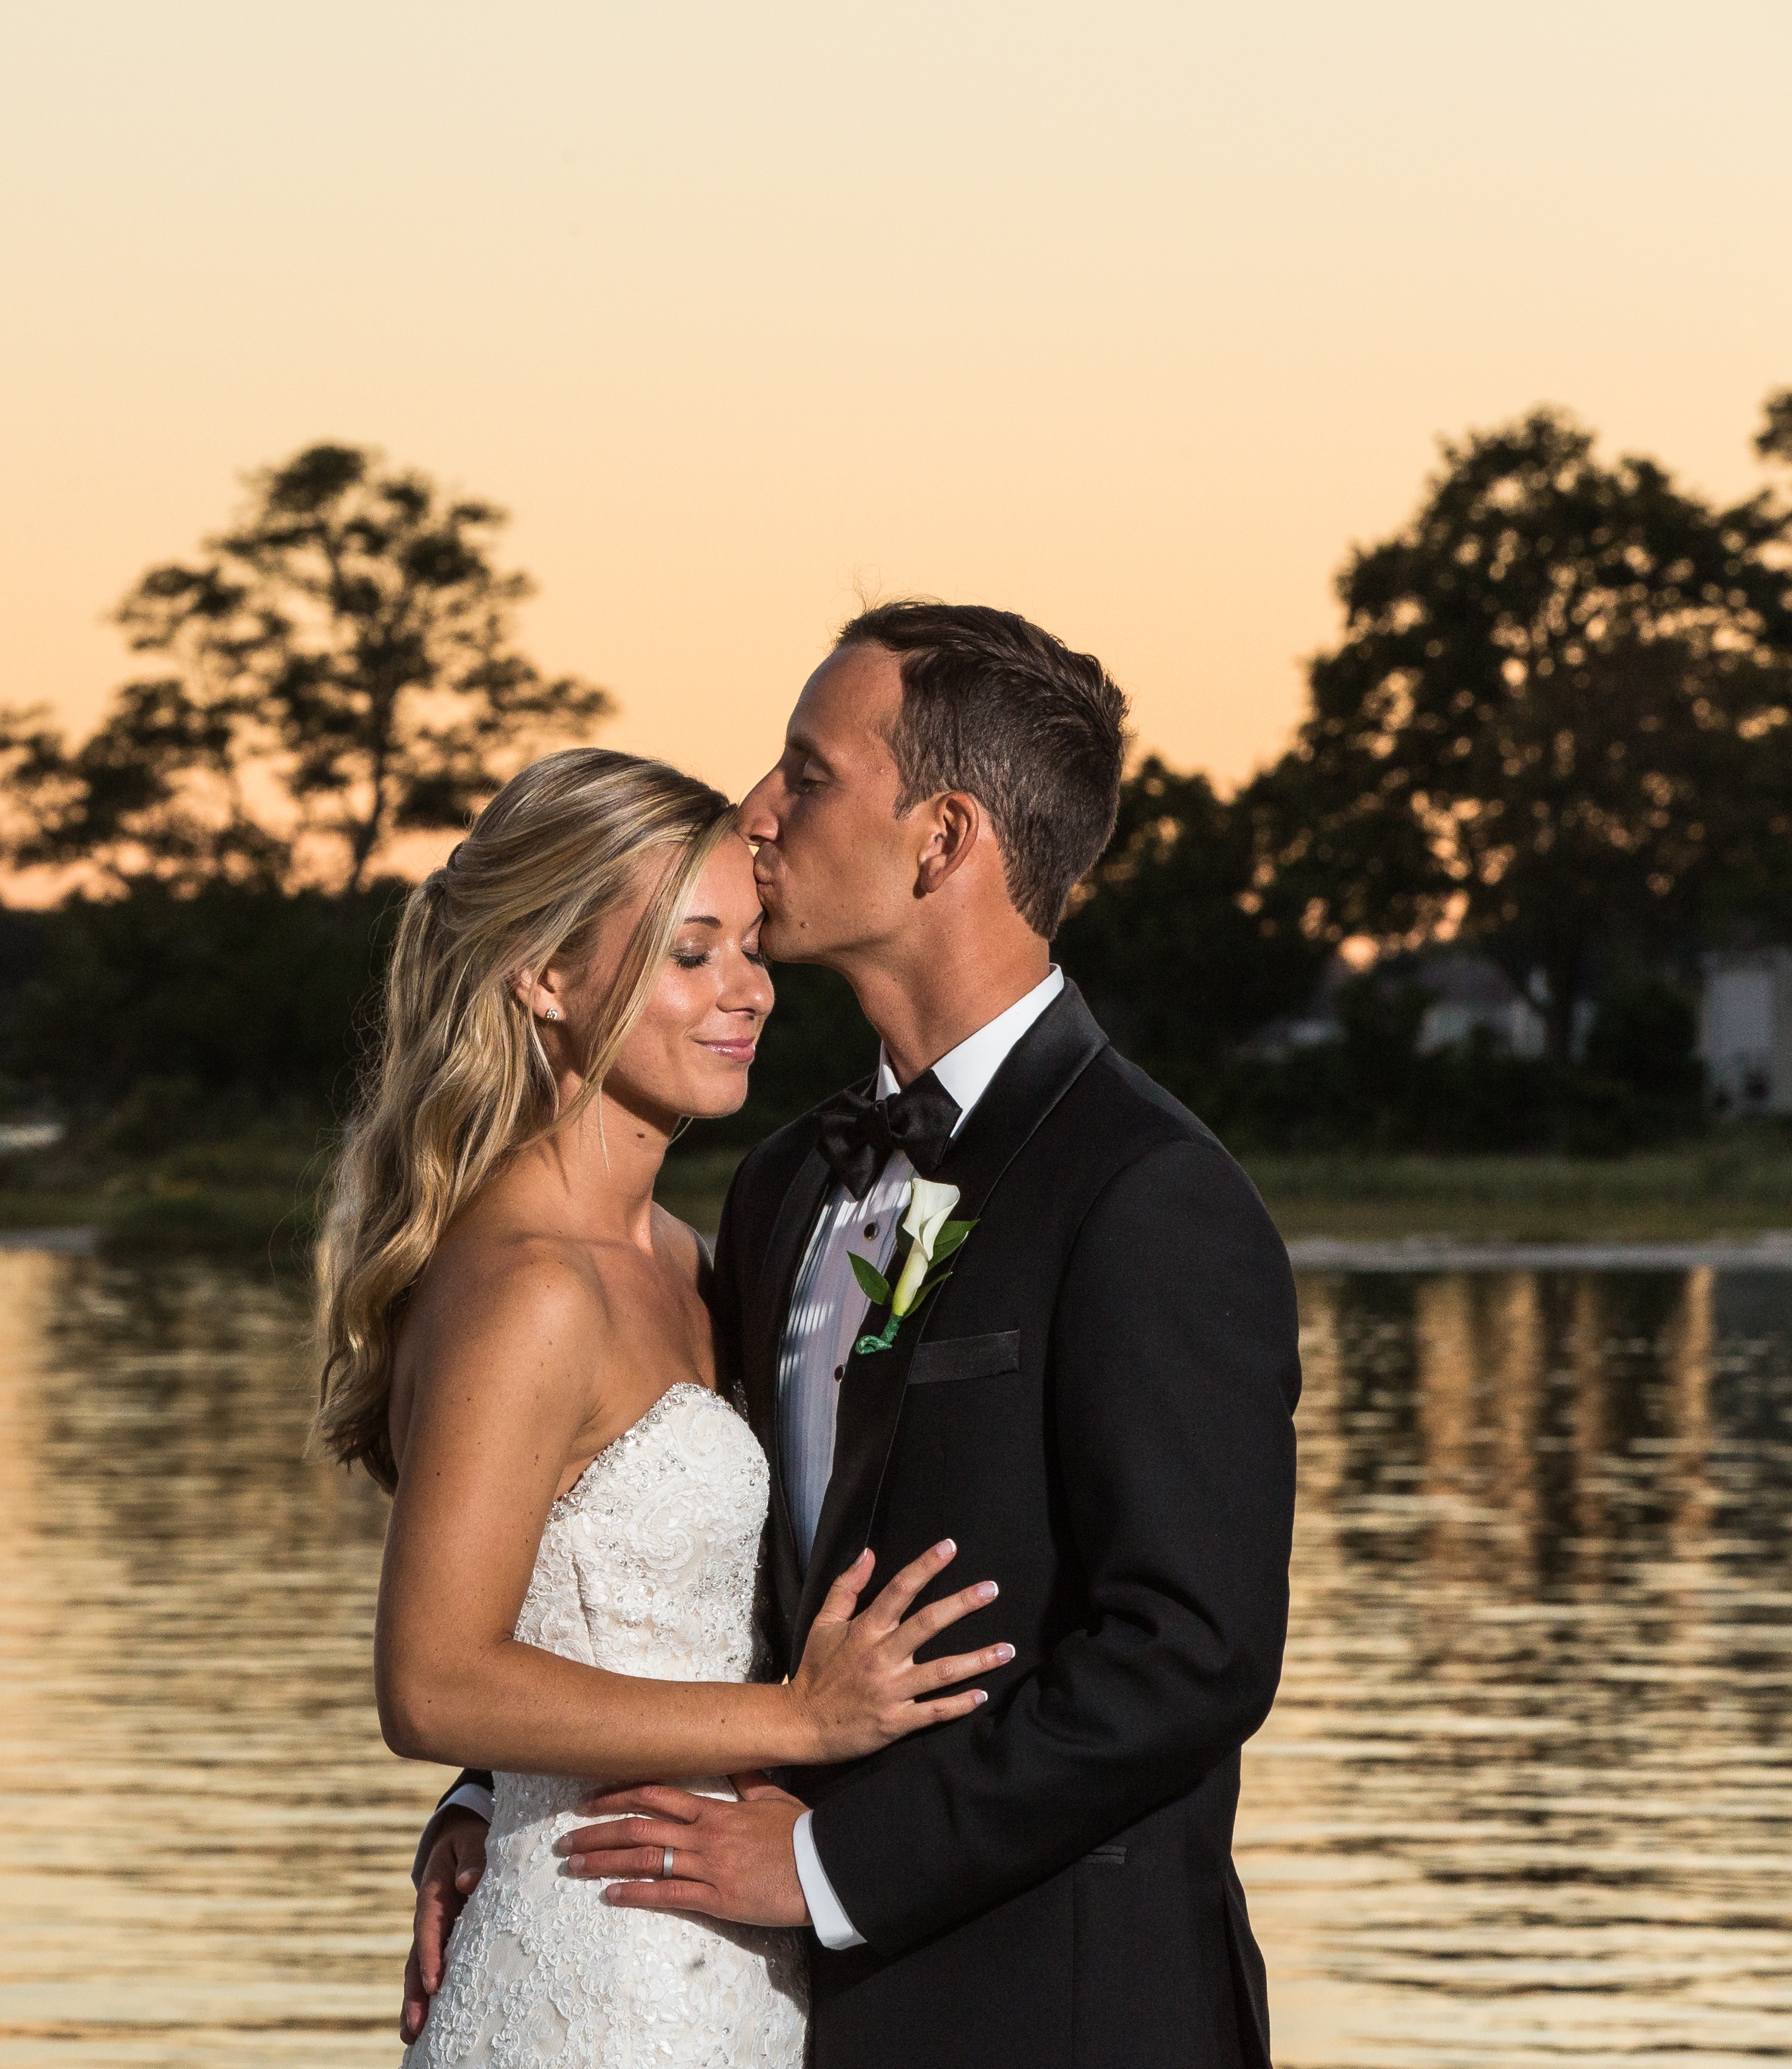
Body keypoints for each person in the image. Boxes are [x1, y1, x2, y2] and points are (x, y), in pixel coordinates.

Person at [394, 604, 1302, 2068]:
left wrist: (826, 1869)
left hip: (1058, 2015)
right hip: (751, 2000)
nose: (757, 809)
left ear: (939, 838)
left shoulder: (1149, 1195)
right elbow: (680, 1550)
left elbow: (1187, 1658)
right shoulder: (781, 1185)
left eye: (804, 772)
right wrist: (496, 1794)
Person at [319, 745, 1011, 2067]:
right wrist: (795, 1722)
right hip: (596, 1971)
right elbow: (431, 1677)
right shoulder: (526, 1286)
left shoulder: (697, 1254)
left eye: (749, 945)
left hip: (735, 1960)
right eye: (689, 954)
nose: (747, 991)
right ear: (544, 975)